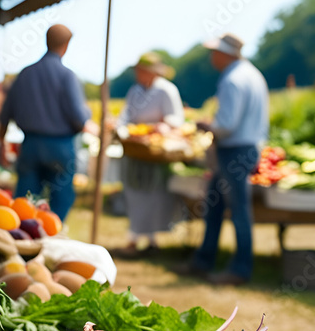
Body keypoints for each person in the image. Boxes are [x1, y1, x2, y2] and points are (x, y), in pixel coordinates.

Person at [188, 33, 268, 285]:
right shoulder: (253, 75)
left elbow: (227, 124)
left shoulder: (232, 79)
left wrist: (206, 124)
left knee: (238, 210)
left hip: (234, 150)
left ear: (225, 54)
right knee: (216, 207)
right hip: (247, 147)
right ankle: (203, 260)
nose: (212, 57)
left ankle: (240, 269)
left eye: (215, 52)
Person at [0, 25, 92, 221]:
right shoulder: (67, 76)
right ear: (66, 45)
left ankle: (21, 239)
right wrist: (86, 112)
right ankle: (51, 236)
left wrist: (1, 143)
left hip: (30, 145)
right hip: (60, 146)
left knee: (24, 200)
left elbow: (5, 113)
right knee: (60, 198)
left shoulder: (25, 74)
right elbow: (79, 117)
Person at [113, 53, 185, 257]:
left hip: (155, 152)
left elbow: (176, 119)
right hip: (136, 149)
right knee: (134, 193)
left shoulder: (166, 90)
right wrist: (121, 129)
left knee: (154, 194)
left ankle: (152, 238)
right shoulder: (135, 91)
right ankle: (135, 236)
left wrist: (161, 127)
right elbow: (125, 115)